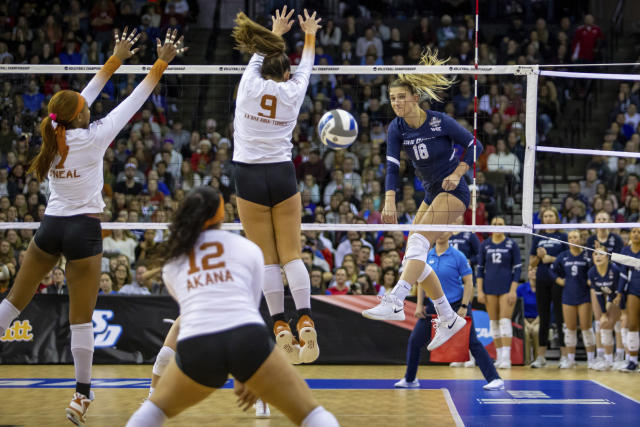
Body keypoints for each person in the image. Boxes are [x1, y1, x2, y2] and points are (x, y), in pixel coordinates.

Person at [0, 27, 184, 425]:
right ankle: (82, 394)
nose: (87, 106)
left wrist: (115, 60)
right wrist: (161, 61)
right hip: (83, 232)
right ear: (80, 114)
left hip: (50, 228)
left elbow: (81, 98)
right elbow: (138, 97)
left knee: (11, 305)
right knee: (80, 320)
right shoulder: (95, 136)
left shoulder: (51, 131)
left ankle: (83, 393)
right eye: (83, 106)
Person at [126, 187, 338, 427]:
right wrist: (247, 373)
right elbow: (250, 307)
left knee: (153, 411)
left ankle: (152, 395)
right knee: (312, 415)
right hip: (246, 338)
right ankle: (302, 320)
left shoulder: (172, 263)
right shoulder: (246, 248)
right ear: (222, 217)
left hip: (198, 343)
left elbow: (193, 310)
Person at [363, 48, 484, 353]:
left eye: (401, 97)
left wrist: (458, 172)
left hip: (453, 191)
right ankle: (447, 316)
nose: (396, 103)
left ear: (415, 98)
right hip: (431, 192)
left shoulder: (439, 121)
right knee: (413, 254)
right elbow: (392, 166)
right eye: (392, 99)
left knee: (417, 243)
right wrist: (389, 199)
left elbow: (475, 143)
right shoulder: (396, 128)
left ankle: (396, 299)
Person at [231, 7, 321, 365]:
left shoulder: (248, 85)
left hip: (248, 174)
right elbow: (307, 66)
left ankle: (280, 326)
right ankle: (305, 317)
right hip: (282, 173)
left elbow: (258, 60)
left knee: (266, 259)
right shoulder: (293, 92)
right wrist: (309, 34)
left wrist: (276, 32)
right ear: (287, 73)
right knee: (291, 255)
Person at [394, 232, 503, 391]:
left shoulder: (458, 256)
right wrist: (419, 305)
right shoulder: (427, 255)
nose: (440, 234)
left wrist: (464, 306)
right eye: (437, 230)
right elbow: (421, 283)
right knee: (415, 341)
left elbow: (468, 282)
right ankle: (410, 379)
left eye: (443, 230)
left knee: (472, 343)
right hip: (433, 306)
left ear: (450, 233)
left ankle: (495, 379)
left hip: (457, 305)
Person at [477, 216, 522, 369]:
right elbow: (480, 269)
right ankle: (499, 356)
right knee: (494, 323)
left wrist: (513, 290)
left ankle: (506, 357)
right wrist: (480, 290)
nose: (497, 226)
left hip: (506, 287)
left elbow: (517, 269)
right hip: (489, 288)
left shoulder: (511, 244)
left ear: (505, 226)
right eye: (495, 224)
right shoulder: (485, 245)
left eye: (500, 224)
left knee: (504, 321)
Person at [550, 230, 595, 369]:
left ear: (580, 239)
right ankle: (570, 359)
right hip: (568, 295)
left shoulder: (587, 255)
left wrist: (590, 279)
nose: (572, 239)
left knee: (586, 327)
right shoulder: (563, 256)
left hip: (584, 296)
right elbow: (551, 270)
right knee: (569, 328)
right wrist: (558, 279)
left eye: (575, 237)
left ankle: (591, 360)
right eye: (570, 237)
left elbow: (595, 270)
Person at [529, 207, 567, 368]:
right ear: (542, 219)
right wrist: (538, 256)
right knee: (543, 318)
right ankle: (541, 357)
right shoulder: (538, 237)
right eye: (546, 216)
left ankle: (565, 357)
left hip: (558, 280)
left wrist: (551, 258)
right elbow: (531, 263)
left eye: (552, 215)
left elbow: (567, 259)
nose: (549, 218)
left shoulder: (563, 236)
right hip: (542, 280)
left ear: (556, 218)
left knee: (560, 318)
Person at [588, 251, 622, 370]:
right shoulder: (592, 272)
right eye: (595, 254)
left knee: (618, 324)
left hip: (620, 295)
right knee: (604, 323)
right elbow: (598, 295)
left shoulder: (615, 269)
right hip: (609, 296)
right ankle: (608, 360)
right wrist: (603, 313)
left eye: (601, 254)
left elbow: (617, 291)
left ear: (607, 257)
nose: (598, 256)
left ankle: (620, 358)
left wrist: (607, 308)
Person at [617, 227, 640, 372]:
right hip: (633, 290)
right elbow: (623, 274)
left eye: (639, 232)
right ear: (630, 234)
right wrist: (619, 292)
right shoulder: (625, 251)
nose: (636, 234)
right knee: (632, 325)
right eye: (634, 231)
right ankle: (632, 361)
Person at [518, 268, 540, 365]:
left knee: (536, 331)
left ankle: (538, 360)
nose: (533, 272)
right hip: (524, 320)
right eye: (531, 270)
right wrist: (526, 323)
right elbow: (517, 308)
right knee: (525, 332)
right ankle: (526, 361)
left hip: (539, 320)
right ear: (527, 273)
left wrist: (534, 323)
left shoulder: (543, 288)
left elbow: (546, 309)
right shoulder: (521, 288)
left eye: (536, 270)